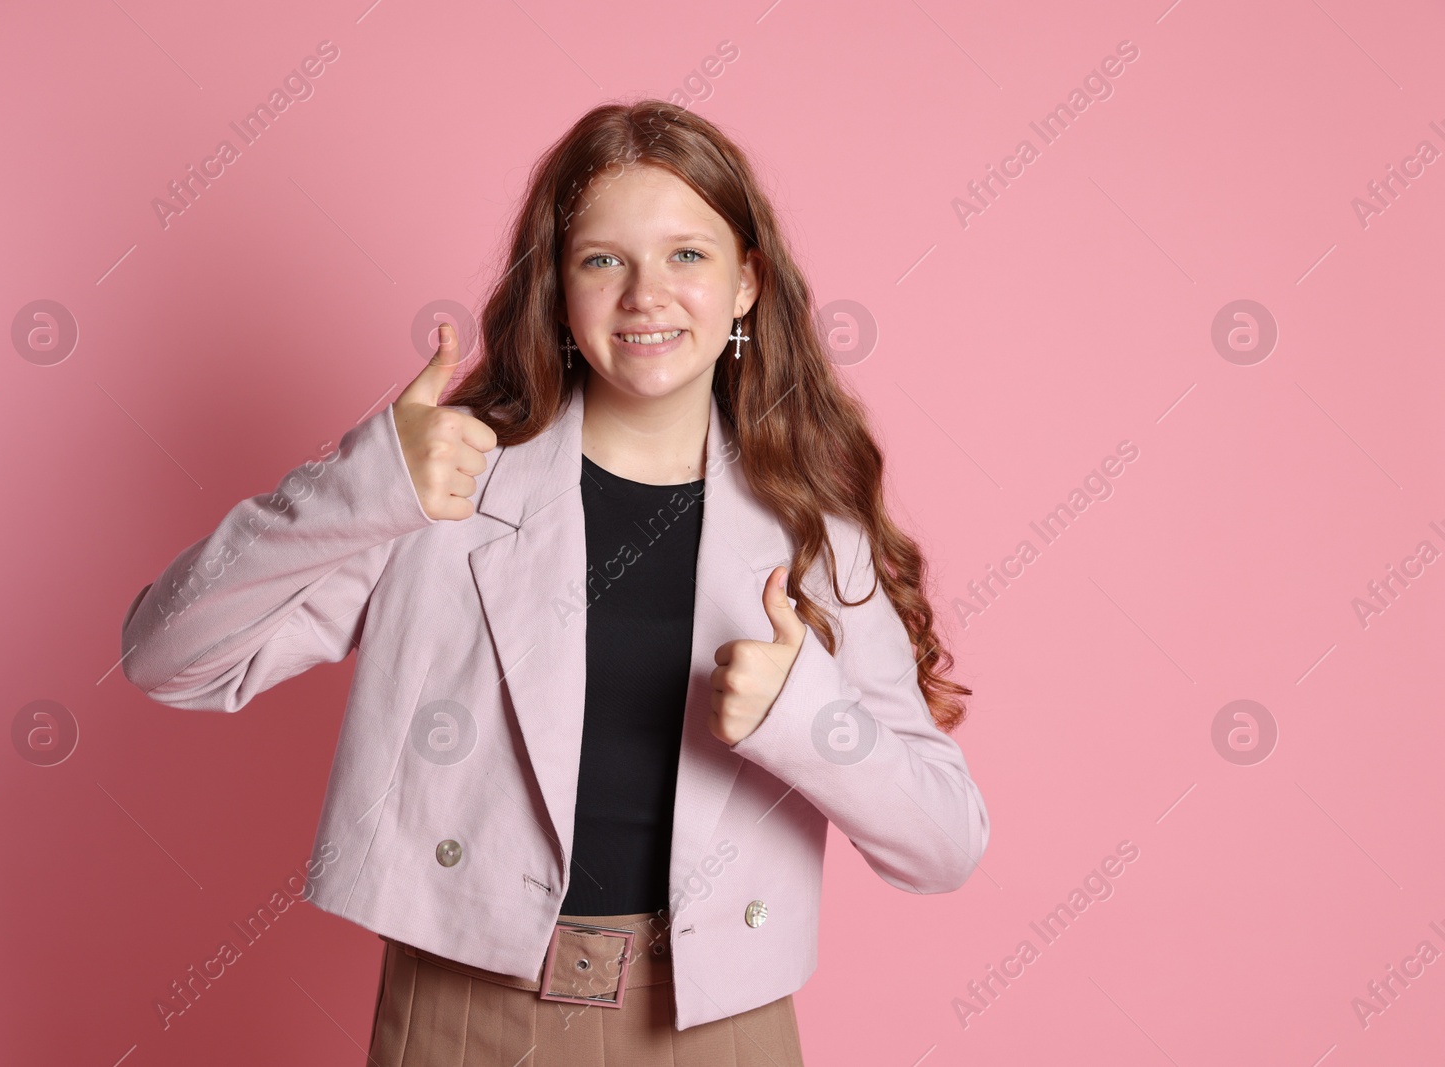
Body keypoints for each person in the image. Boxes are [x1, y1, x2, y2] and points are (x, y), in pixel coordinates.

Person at [120, 99, 990, 1066]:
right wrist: (355, 489)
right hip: (464, 1010)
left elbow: (944, 845)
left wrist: (805, 713)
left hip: (718, 1025)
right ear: (560, 289)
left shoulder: (814, 532)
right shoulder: (439, 488)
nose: (646, 294)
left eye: (688, 256)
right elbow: (170, 658)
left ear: (747, 283)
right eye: (603, 259)